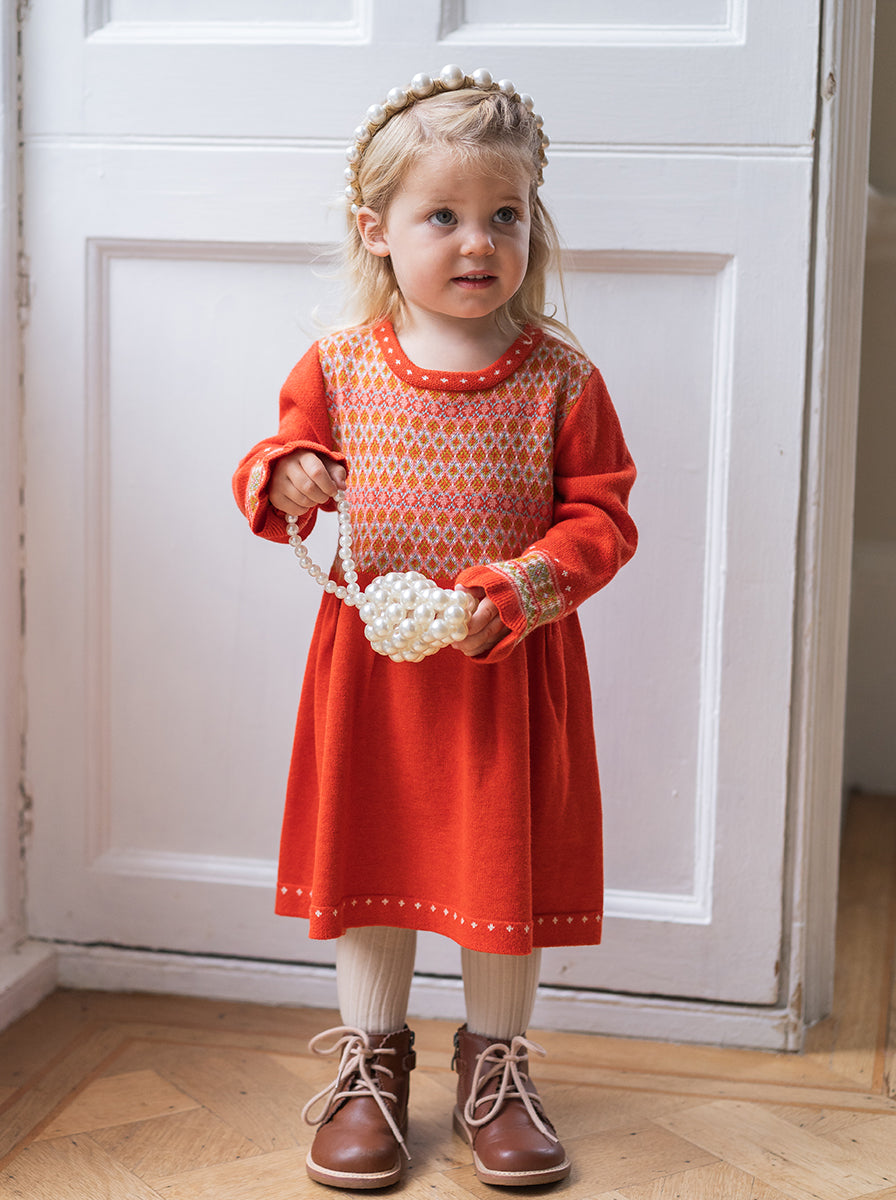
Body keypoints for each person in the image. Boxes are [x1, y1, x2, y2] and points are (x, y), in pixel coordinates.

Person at [233, 64, 638, 1191]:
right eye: (444, 216)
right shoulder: (339, 363)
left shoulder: (560, 377)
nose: (478, 242)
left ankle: (493, 1070)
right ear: (377, 229)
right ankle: (370, 1068)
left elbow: (602, 520)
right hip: (374, 675)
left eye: (505, 214)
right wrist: (287, 471)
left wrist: (511, 593)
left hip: (504, 672)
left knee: (499, 870)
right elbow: (271, 463)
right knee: (375, 858)